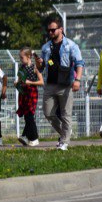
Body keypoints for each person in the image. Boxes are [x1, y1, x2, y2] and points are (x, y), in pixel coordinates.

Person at [39, 15, 84, 151]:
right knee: (48, 113)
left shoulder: (71, 45)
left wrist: (78, 80)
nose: (51, 33)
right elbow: (41, 68)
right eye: (49, 30)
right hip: (50, 85)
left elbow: (79, 63)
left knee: (66, 114)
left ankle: (64, 142)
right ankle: (65, 133)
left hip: (66, 84)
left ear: (61, 29)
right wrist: (39, 64)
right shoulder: (46, 47)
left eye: (53, 30)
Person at [16, 47, 42, 146]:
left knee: (30, 115)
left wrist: (30, 82)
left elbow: (41, 82)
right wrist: (17, 83)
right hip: (23, 93)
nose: (21, 59)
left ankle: (34, 138)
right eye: (20, 58)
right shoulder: (21, 67)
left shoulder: (35, 67)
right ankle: (27, 138)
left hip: (32, 92)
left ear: (29, 56)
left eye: (22, 57)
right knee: (27, 116)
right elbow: (19, 79)